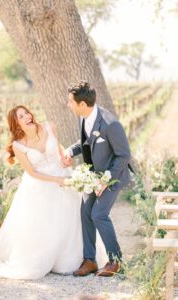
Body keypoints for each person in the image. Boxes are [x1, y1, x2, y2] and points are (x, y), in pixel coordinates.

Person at [0, 105, 107, 279]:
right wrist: (57, 181)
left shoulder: (49, 126)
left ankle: (72, 258)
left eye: (27, 113)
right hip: (40, 185)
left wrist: (66, 159)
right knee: (44, 223)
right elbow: (32, 173)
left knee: (70, 218)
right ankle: (44, 256)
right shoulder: (18, 145)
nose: (27, 117)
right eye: (21, 116)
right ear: (16, 124)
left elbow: (60, 151)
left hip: (64, 176)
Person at [63, 81, 132, 277]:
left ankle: (115, 261)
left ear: (82, 104)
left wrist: (106, 179)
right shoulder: (83, 117)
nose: (69, 105)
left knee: (98, 214)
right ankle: (90, 260)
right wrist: (70, 151)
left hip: (113, 174)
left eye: (71, 102)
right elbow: (85, 142)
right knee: (85, 211)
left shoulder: (111, 124)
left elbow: (124, 155)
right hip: (93, 176)